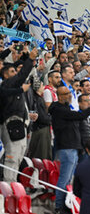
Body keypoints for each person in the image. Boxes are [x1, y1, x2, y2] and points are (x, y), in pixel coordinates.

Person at [49, 86, 90, 212]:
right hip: (67, 147)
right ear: (60, 96)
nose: (70, 95)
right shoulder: (59, 110)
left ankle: (65, 204)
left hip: (72, 147)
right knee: (65, 178)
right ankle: (59, 206)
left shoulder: (64, 108)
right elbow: (81, 115)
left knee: (68, 179)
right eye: (67, 93)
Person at [0, 48, 38, 182]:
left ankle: (12, 186)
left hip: (20, 124)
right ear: (5, 75)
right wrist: (30, 59)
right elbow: (22, 75)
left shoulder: (14, 87)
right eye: (12, 71)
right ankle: (8, 188)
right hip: (12, 124)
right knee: (12, 157)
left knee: (18, 156)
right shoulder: (8, 83)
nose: (15, 73)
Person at [27, 80, 52, 160]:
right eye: (42, 85)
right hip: (41, 130)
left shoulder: (37, 98)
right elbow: (42, 117)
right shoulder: (37, 99)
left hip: (40, 130)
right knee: (41, 155)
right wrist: (52, 119)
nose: (44, 87)